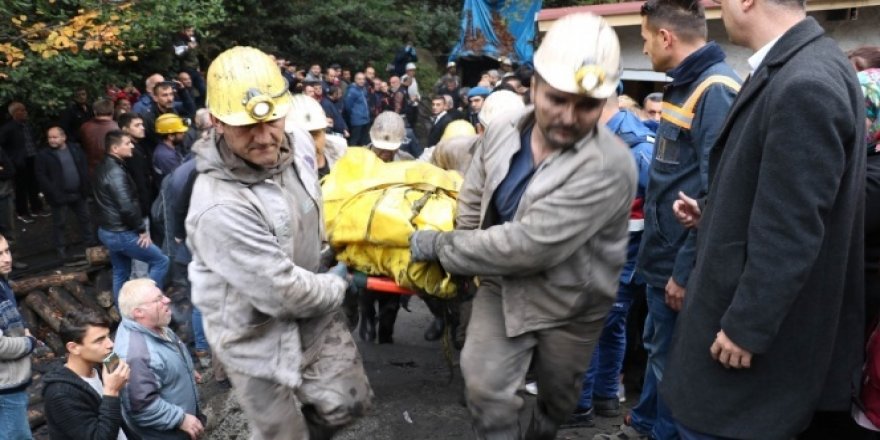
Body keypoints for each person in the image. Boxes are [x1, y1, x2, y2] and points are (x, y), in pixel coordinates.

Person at [408, 13, 636, 439]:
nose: (569, 116)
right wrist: (463, 251)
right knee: (485, 388)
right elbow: (476, 189)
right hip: (500, 284)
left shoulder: (610, 166)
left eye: (586, 105)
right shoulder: (502, 130)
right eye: (557, 99)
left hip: (571, 300)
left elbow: (527, 246)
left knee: (558, 401)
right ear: (534, 86)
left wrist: (441, 246)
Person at [661, 0, 866, 438]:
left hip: (749, 369)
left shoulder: (805, 82)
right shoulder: (799, 65)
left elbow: (792, 230)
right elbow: (782, 194)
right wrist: (714, 214)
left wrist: (746, 328)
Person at [186, 46, 372, 440]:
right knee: (284, 434)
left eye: (272, 120)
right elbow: (282, 292)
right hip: (254, 330)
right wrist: (337, 283)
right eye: (246, 127)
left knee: (349, 402)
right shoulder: (219, 205)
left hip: (310, 300)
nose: (264, 136)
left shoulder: (300, 144)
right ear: (218, 122)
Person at [595, 2, 741, 439]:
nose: (641, 46)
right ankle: (643, 425)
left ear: (666, 37)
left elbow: (716, 195)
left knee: (673, 363)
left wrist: (683, 272)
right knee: (659, 350)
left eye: (642, 37)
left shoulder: (715, 90)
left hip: (679, 266)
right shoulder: (686, 85)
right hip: (660, 259)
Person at [567, 91, 654, 428]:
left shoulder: (636, 148)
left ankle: (577, 408)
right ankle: (604, 399)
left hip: (617, 260)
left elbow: (653, 211)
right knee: (610, 328)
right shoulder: (615, 140)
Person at [114, 279, 202, 440]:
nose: (167, 300)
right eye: (158, 299)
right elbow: (142, 408)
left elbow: (166, 354)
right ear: (139, 312)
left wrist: (184, 368)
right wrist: (180, 419)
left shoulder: (153, 324)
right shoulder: (137, 357)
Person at [93, 130, 169, 302]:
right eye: (127, 143)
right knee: (161, 261)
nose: (132, 146)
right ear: (115, 148)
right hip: (121, 233)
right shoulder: (115, 173)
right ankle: (149, 301)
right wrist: (142, 230)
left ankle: (124, 314)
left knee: (121, 271)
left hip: (108, 230)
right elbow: (126, 206)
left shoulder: (104, 166)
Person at [43, 310, 137, 440]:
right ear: (74, 348)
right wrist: (111, 391)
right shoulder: (60, 394)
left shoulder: (98, 367)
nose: (110, 344)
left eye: (108, 336)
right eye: (99, 340)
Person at [35, 126, 97, 261]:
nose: (52, 140)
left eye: (55, 137)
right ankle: (61, 249)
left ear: (63, 137)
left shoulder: (75, 148)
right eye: (49, 137)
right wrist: (52, 192)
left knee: (85, 219)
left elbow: (83, 166)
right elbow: (41, 176)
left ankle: (90, 244)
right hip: (59, 195)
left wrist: (86, 186)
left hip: (79, 192)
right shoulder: (43, 155)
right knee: (60, 223)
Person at [0, 234, 36, 440]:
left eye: (7, 251)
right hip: (5, 386)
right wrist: (27, 343)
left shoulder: (3, 283)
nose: (7, 258)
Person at [0, 102, 46, 223]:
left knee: (34, 185)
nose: (25, 113)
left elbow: (31, 141)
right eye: (22, 110)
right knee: (21, 188)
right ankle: (22, 212)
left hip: (32, 159)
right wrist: (10, 160)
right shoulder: (8, 128)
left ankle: (37, 208)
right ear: (15, 113)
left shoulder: (27, 125)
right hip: (19, 162)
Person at [80, 98, 121, 177]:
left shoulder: (85, 127)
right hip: (112, 171)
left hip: (91, 171)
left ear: (95, 112)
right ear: (112, 111)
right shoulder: (117, 127)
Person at [152, 114, 187, 183]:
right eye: (180, 132)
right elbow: (180, 180)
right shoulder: (166, 157)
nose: (184, 134)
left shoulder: (169, 147)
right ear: (170, 136)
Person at [344, 72, 371, 146]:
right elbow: (347, 106)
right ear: (355, 80)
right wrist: (355, 115)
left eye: (363, 79)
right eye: (359, 79)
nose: (362, 81)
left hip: (365, 119)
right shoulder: (352, 91)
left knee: (364, 141)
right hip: (357, 120)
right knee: (354, 140)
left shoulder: (363, 89)